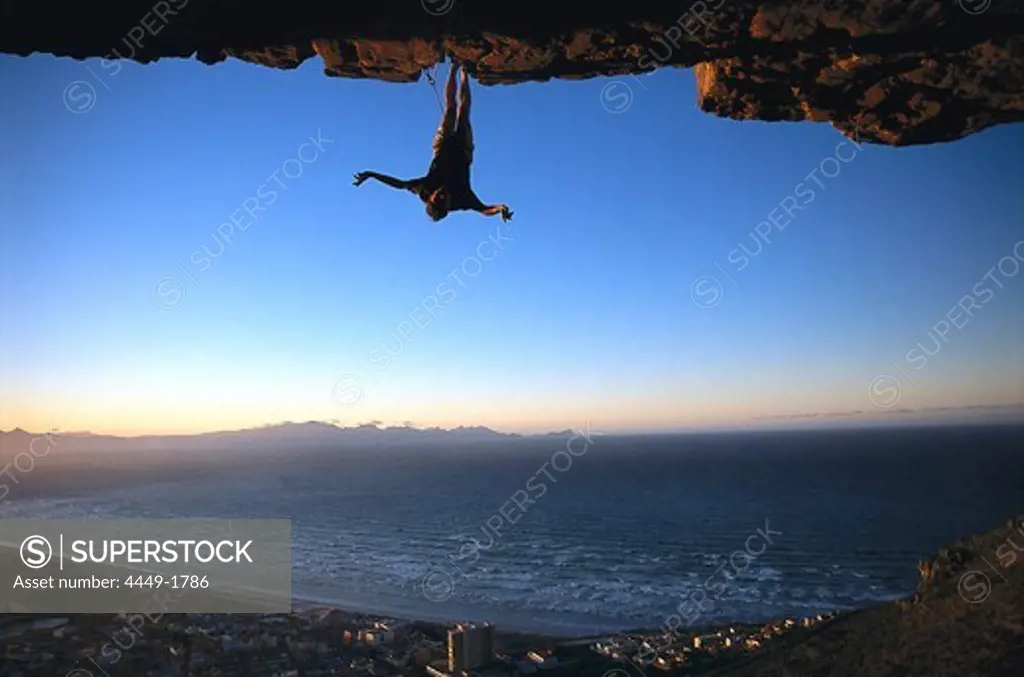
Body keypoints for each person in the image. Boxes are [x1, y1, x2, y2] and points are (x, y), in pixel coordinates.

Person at [352, 62, 513, 223]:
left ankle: (453, 69)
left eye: (438, 197)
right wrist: (500, 208)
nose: (442, 194)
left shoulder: (423, 189)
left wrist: (372, 175)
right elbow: (484, 210)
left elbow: (399, 184)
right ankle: (464, 73)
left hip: (441, 148)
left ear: (429, 198)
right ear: (448, 207)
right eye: (445, 200)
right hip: (463, 152)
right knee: (463, 112)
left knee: (450, 111)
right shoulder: (462, 200)